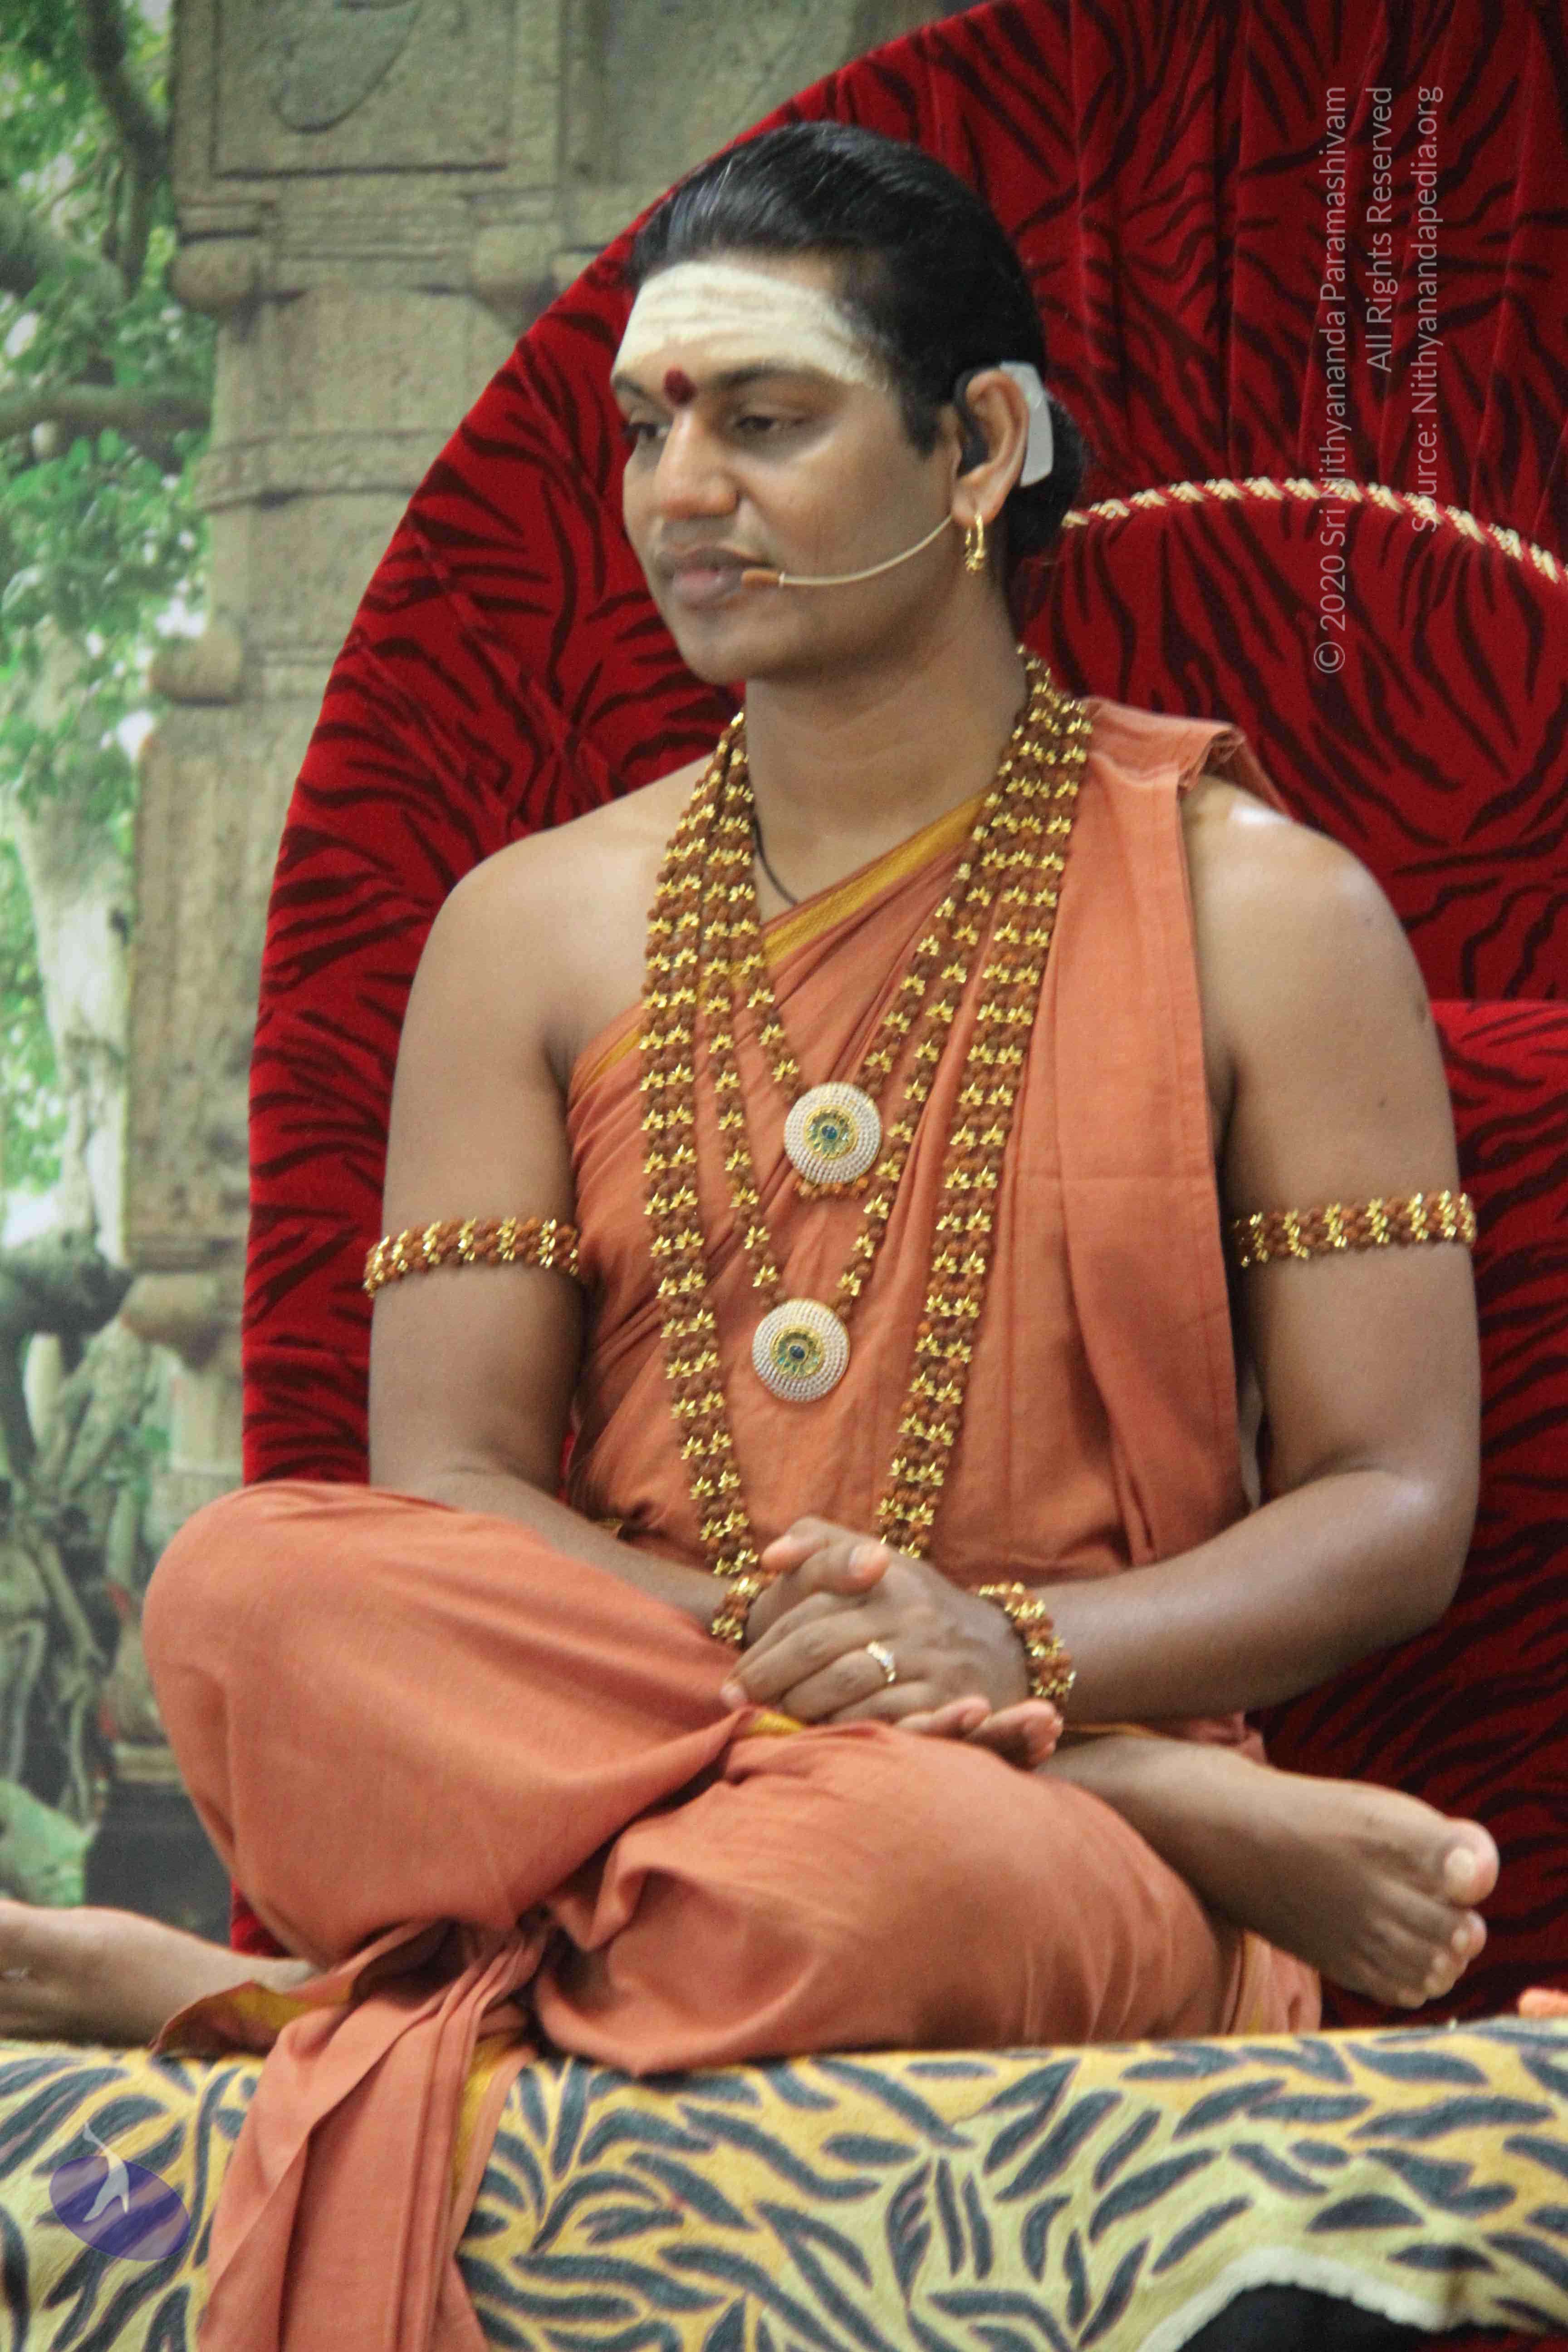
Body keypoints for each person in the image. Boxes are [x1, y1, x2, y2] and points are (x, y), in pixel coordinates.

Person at [0, 119, 1495, 2352]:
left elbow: (1395, 1502)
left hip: (982, 1862)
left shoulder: (1267, 915)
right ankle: (1151, 1806)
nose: (677, 493)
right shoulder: (530, 928)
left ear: (979, 446)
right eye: (646, 429)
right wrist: (942, 1700)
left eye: (764, 421)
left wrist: (1022, 1658)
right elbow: (453, 1489)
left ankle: (277, 2011)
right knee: (243, 1589)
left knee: (848, 1883)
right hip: (724, 1759)